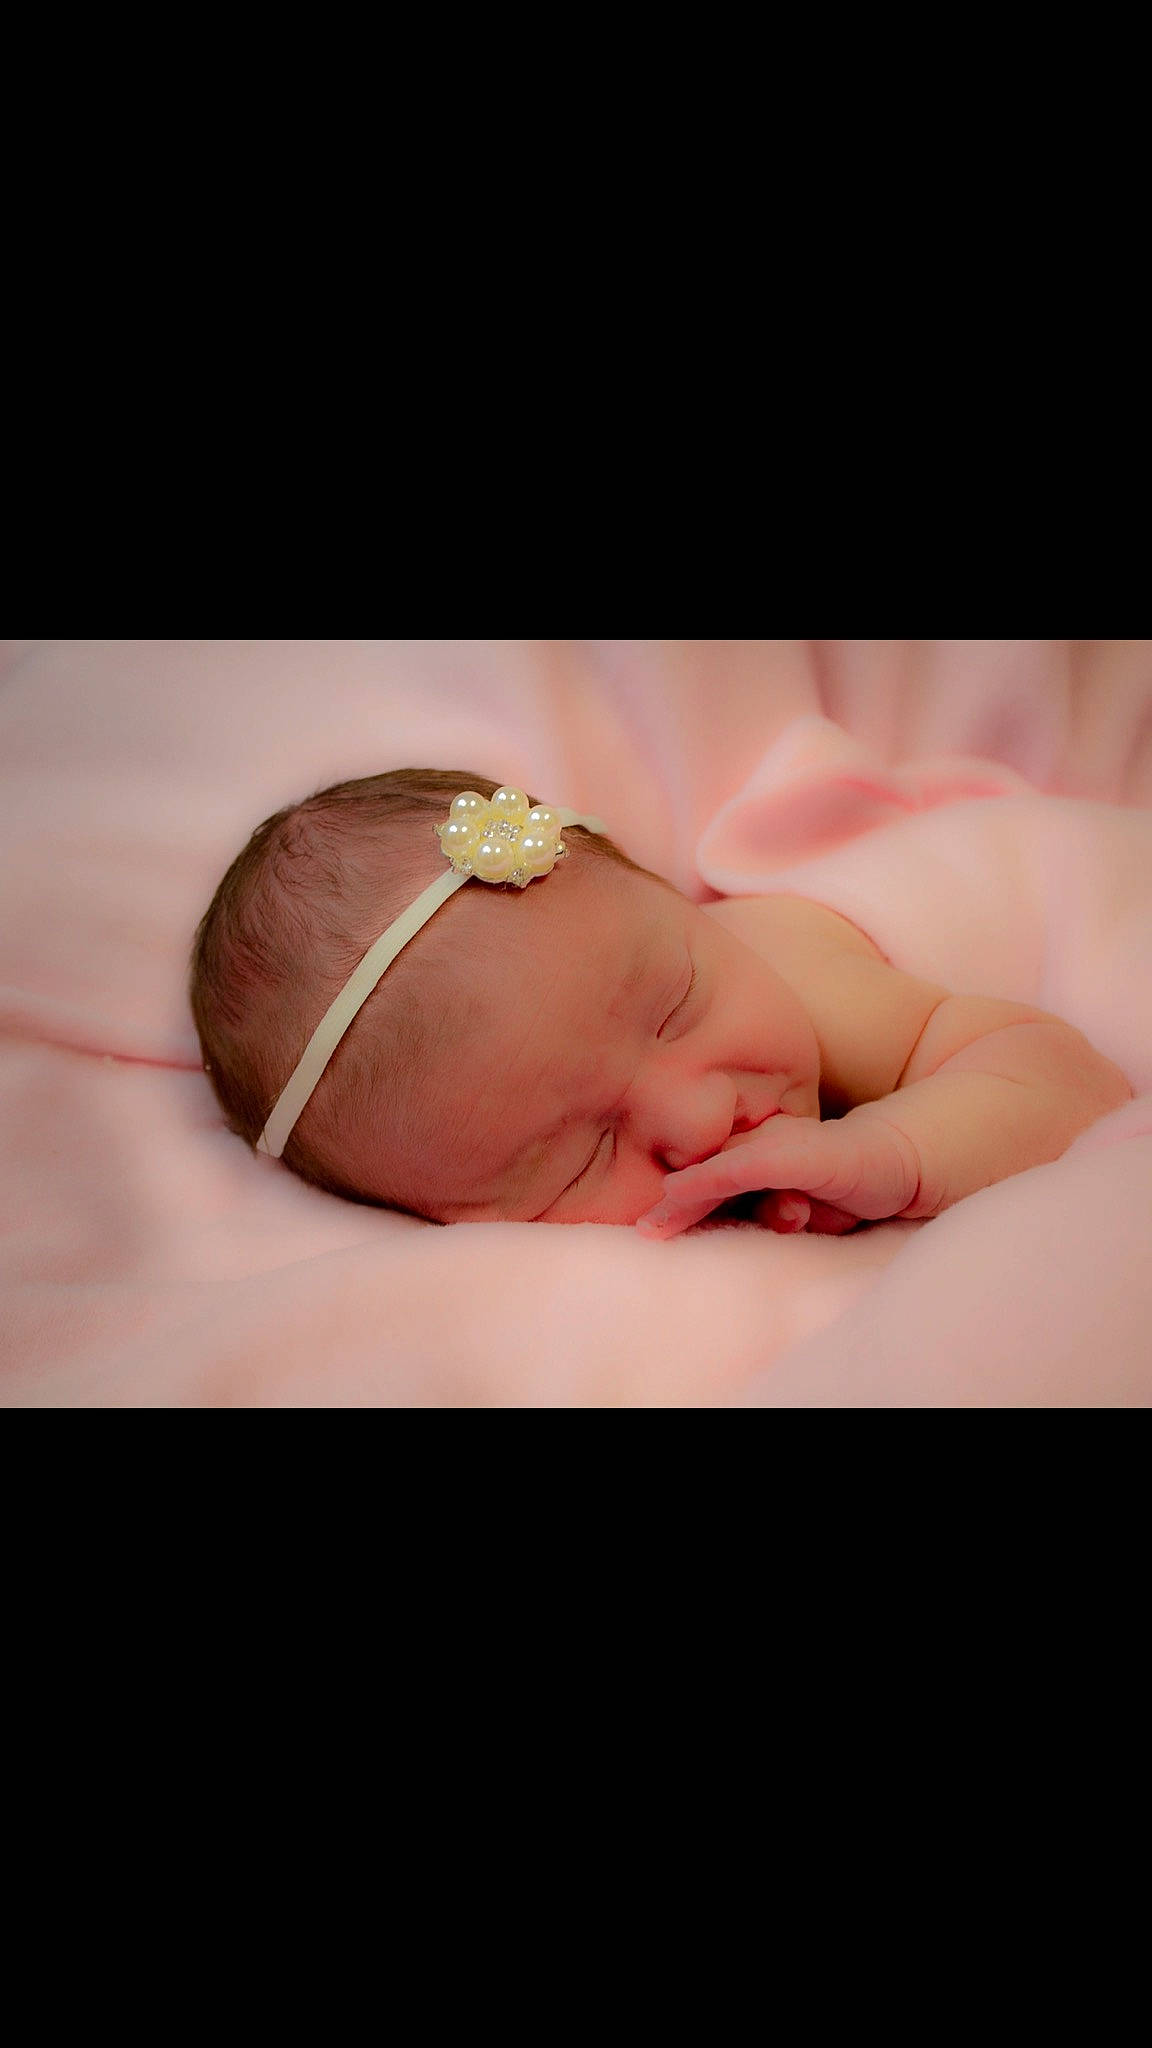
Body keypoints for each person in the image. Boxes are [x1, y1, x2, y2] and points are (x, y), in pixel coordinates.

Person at [189, 769, 1132, 1235]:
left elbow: (1065, 1082)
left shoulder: (797, 969)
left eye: (676, 1006)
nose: (698, 1113)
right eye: (578, 1157)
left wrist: (891, 1150)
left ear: (671, 899)